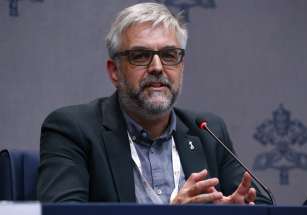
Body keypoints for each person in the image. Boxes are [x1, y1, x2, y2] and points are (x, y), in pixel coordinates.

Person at [37, 2, 272, 204]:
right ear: (114, 71)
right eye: (140, 56)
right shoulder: (73, 129)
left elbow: (259, 202)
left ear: (181, 66)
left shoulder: (207, 130)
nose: (158, 67)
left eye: (169, 55)